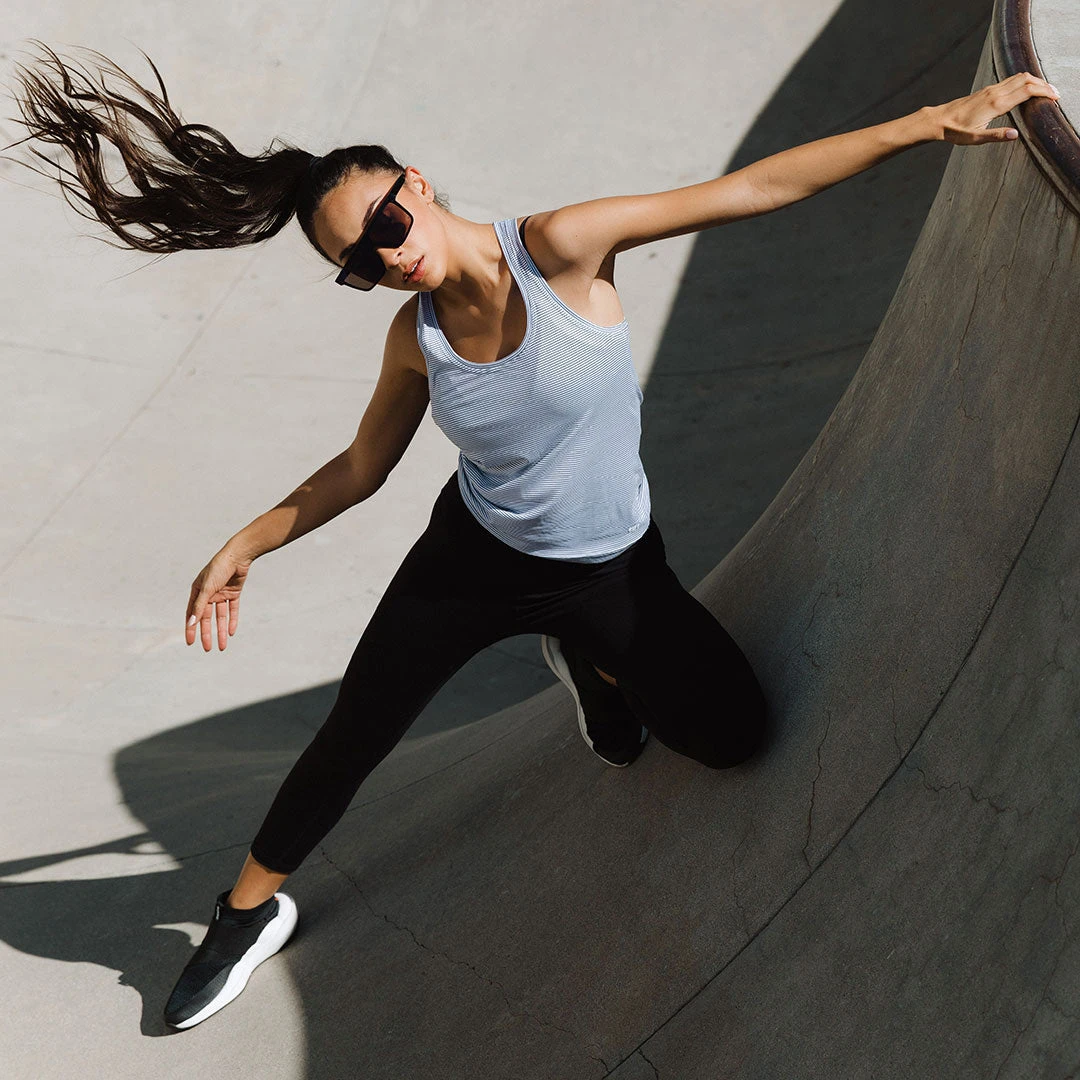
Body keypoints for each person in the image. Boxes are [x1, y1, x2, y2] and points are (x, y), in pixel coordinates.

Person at [3, 39, 1059, 1032]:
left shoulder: (561, 248)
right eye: (358, 263)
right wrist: (245, 543)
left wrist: (933, 121)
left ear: (416, 185)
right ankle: (243, 916)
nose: (387, 258)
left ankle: (592, 661)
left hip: (608, 570)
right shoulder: (414, 339)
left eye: (385, 227)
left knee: (734, 735)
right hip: (470, 561)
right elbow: (363, 468)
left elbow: (752, 189)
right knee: (355, 730)